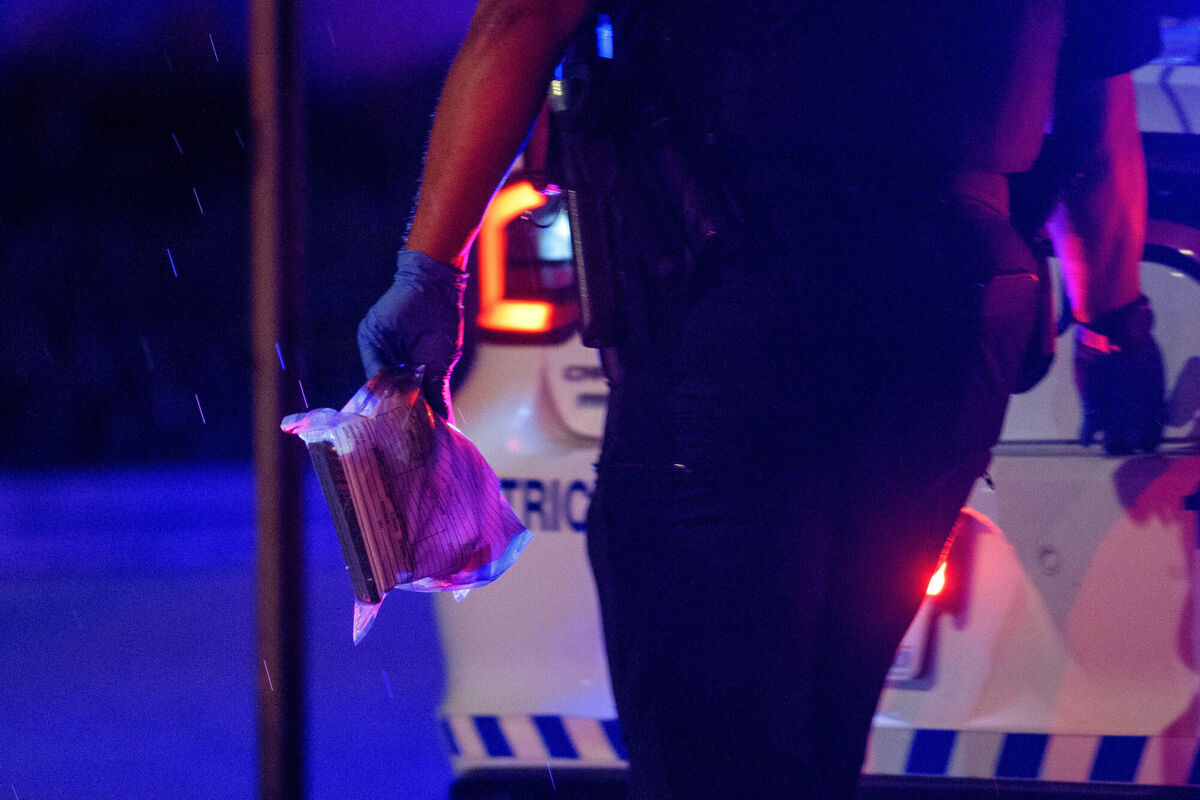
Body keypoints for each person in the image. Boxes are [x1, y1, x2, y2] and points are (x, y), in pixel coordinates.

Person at [356, 2, 1164, 796]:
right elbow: (1097, 126)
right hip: (953, 315)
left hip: (745, 296)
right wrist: (1113, 328)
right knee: (816, 730)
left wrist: (429, 273)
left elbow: (522, 20)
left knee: (709, 739)